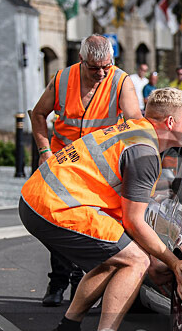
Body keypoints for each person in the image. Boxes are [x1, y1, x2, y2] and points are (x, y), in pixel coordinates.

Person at [20, 88, 182, 331]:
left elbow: (125, 221)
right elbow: (134, 221)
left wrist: (155, 257)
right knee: (135, 260)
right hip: (56, 205)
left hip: (40, 198)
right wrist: (171, 261)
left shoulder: (136, 131)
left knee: (115, 257)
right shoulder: (144, 153)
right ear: (171, 123)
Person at [30, 35, 142, 307]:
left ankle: (83, 285)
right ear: (81, 60)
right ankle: (58, 280)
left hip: (98, 169)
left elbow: (135, 123)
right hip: (63, 163)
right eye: (94, 68)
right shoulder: (62, 79)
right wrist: (44, 152)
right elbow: (38, 114)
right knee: (59, 220)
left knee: (94, 226)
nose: (101, 73)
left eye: (106, 66)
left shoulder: (120, 81)